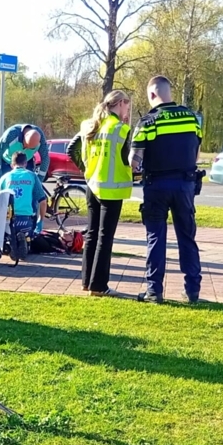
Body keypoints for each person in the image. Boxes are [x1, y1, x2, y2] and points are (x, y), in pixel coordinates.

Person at [129, 76, 203, 304]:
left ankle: (154, 291)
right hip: (185, 185)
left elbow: (134, 160)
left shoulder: (148, 121)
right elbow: (197, 153)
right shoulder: (192, 118)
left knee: (156, 238)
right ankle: (192, 291)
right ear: (168, 91)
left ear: (152, 94)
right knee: (187, 237)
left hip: (157, 186)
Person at [79, 90, 133, 298]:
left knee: (91, 234)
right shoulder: (121, 129)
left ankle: (86, 281)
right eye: (127, 106)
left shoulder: (90, 125)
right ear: (120, 103)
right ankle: (99, 285)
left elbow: (79, 153)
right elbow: (127, 159)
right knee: (105, 237)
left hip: (92, 185)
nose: (127, 110)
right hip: (112, 188)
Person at [0, 151, 47, 260]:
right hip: (27, 220)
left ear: (11, 164)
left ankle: (10, 242)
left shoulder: (5, 177)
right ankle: (26, 237)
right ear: (25, 164)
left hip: (9, 221)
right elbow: (43, 201)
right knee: (32, 202)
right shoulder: (32, 176)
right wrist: (40, 221)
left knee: (8, 230)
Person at [0, 123, 50, 188]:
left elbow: (45, 158)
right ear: (24, 136)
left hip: (26, 161)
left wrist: (39, 180)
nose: (26, 149)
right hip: (6, 162)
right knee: (6, 187)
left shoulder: (40, 137)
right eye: (25, 146)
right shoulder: (11, 134)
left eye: (31, 148)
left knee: (29, 187)